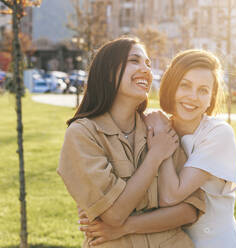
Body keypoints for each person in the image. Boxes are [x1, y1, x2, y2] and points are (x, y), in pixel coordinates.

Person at [57, 37, 205, 247]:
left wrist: (127, 226)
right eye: (134, 60)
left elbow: (190, 210)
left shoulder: (160, 127)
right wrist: (155, 156)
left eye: (148, 64)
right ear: (108, 72)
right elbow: (114, 214)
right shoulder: (82, 135)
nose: (145, 69)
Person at [145, 49, 236, 248]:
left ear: (211, 97)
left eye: (203, 90)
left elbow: (171, 195)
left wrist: (162, 140)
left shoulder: (218, 133)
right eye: (185, 85)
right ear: (171, 86)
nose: (193, 97)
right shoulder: (155, 126)